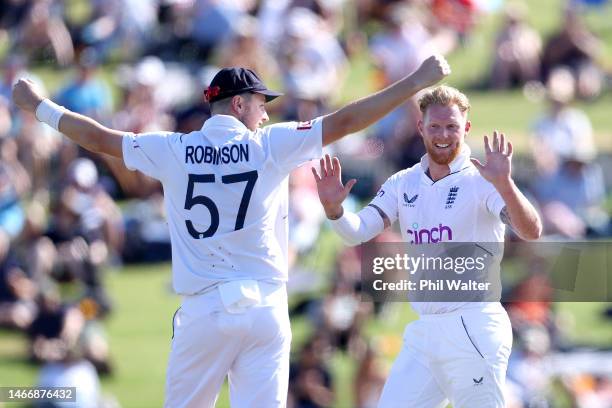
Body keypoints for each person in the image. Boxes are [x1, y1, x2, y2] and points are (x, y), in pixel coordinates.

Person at [12, 56, 450, 407]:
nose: (265, 113)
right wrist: (415, 81)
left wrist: (39, 108)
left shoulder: (172, 148)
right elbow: (346, 121)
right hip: (264, 310)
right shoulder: (270, 144)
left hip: (204, 311)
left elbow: (100, 138)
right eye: (262, 103)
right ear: (239, 105)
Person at [312, 85, 542, 407]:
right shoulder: (402, 182)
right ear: (421, 127)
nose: (443, 135)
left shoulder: (482, 181)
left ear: (467, 128)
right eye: (435, 126)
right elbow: (357, 232)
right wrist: (335, 211)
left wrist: (506, 184)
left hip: (473, 324)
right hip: (426, 330)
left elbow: (531, 230)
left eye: (452, 127)